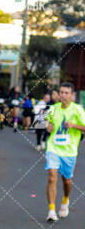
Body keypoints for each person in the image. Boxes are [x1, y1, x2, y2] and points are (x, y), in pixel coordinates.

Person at [44, 82, 85, 221]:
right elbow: (46, 123)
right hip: (53, 148)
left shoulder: (78, 110)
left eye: (66, 93)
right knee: (52, 176)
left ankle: (65, 200)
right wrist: (48, 126)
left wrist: (73, 125)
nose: (63, 95)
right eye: (61, 92)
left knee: (67, 181)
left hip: (69, 151)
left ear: (72, 95)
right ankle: (51, 211)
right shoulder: (53, 108)